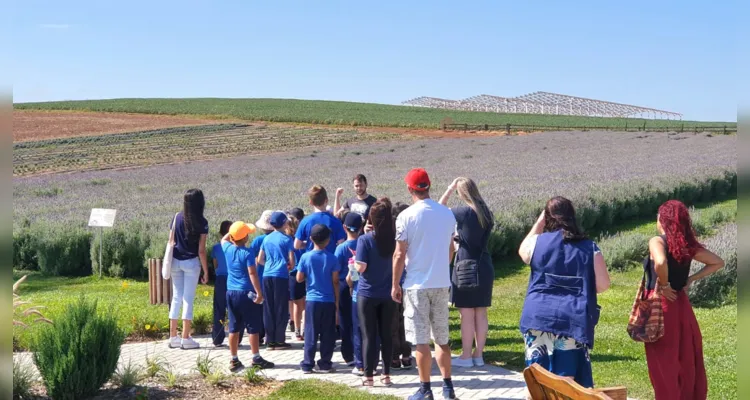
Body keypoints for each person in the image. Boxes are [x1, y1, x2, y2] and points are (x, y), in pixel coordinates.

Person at [518, 196, 611, 388]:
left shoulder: (537, 242)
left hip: (538, 317)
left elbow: (522, 251)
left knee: (537, 382)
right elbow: (603, 285)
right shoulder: (589, 248)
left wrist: (538, 223)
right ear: (573, 217)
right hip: (573, 320)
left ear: (547, 217)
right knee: (568, 384)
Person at [644, 200, 724, 400]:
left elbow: (660, 261)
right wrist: (691, 279)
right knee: (685, 356)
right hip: (681, 305)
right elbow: (717, 262)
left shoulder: (657, 241)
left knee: (664, 360)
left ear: (663, 220)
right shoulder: (687, 246)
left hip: (662, 306)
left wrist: (663, 284)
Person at [392, 168, 458, 400]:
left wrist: (394, 284)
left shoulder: (405, 216)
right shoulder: (447, 213)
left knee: (421, 340)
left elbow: (399, 255)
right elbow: (451, 249)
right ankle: (448, 387)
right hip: (441, 282)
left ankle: (425, 389)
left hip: (416, 284)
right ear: (428, 186)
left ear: (410, 189)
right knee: (442, 338)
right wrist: (441, 266)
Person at [438, 177, 495, 367]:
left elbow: (439, 208)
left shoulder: (462, 212)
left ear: (461, 193)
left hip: (465, 266)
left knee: (466, 314)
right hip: (484, 264)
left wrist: (449, 188)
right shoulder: (486, 212)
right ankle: (478, 355)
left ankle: (465, 356)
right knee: (481, 311)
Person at [221, 221, 274, 372]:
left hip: (231, 292)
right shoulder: (248, 253)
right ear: (244, 238)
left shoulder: (227, 248)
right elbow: (252, 273)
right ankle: (256, 357)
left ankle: (234, 359)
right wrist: (259, 293)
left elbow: (223, 239)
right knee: (253, 327)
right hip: (246, 292)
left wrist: (232, 233)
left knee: (233, 327)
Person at [356, 198, 397, 387]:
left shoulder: (364, 240)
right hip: (388, 293)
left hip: (367, 293)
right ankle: (386, 374)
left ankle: (368, 376)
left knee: (368, 336)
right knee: (387, 335)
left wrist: (354, 263)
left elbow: (361, 267)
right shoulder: (395, 239)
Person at [168, 188, 210, 350]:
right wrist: (206, 271)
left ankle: (173, 336)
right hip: (191, 262)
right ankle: (186, 337)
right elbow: (201, 250)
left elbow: (170, 241)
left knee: (176, 297)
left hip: (175, 261)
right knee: (188, 298)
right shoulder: (202, 222)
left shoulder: (176, 217)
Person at [296, 224, 341, 373]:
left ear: (310, 239)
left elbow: (299, 278)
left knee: (311, 331)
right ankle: (325, 363)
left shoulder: (305, 257)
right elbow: (335, 281)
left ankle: (308, 363)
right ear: (328, 240)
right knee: (328, 333)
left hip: (312, 300)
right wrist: (337, 301)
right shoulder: (332, 258)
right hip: (328, 300)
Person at [258, 211, 296, 350]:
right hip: (281, 275)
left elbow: (260, 259)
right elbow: (291, 261)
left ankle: (270, 340)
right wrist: (288, 266)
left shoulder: (266, 239)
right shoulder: (287, 239)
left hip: (267, 275)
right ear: (284, 223)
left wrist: (269, 264)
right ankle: (280, 340)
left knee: (268, 307)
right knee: (281, 307)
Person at [334, 212, 363, 367]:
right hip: (361, 285)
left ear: (344, 227)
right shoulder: (364, 244)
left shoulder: (341, 248)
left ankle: (348, 354)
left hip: (344, 286)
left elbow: (336, 271)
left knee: (345, 321)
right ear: (361, 227)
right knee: (360, 322)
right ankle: (363, 353)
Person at [211, 220, 243, 347]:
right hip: (235, 279)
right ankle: (237, 337)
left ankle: (217, 338)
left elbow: (215, 265)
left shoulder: (216, 248)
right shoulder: (237, 248)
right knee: (235, 309)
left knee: (219, 309)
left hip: (220, 279)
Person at [389, 202, 412, 371]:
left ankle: (395, 356)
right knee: (406, 321)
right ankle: (407, 355)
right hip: (409, 280)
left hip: (396, 281)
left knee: (394, 322)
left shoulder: (392, 236)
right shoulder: (412, 232)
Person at [295, 185, 347, 254]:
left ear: (310, 202)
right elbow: (341, 244)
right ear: (326, 200)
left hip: (311, 261)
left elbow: (296, 245)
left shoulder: (305, 221)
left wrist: (308, 245)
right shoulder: (335, 221)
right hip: (330, 261)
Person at [251, 209, 274, 345]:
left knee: (259, 307)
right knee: (270, 306)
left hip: (260, 276)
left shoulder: (257, 240)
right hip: (273, 276)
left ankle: (259, 334)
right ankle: (269, 334)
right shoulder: (278, 238)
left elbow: (253, 259)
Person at [285, 208, 306, 341]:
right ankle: (303, 329)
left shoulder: (286, 240)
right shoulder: (301, 240)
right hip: (303, 271)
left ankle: (296, 328)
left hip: (292, 273)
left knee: (295, 302)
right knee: (303, 303)